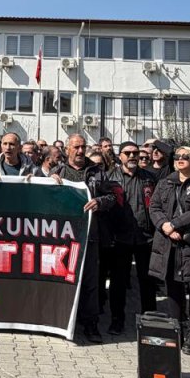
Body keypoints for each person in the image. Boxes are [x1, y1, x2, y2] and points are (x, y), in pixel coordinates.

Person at [149, 146, 190, 355]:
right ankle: (176, 330)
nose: (180, 159)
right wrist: (165, 227)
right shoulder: (165, 182)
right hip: (169, 243)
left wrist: (175, 224)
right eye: (177, 156)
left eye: (185, 157)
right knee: (173, 289)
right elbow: (154, 207)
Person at [52, 134, 115, 344]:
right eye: (76, 147)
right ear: (67, 150)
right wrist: (49, 185)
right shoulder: (57, 172)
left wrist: (99, 201)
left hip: (90, 236)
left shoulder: (97, 173)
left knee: (90, 281)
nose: (80, 151)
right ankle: (61, 321)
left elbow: (112, 197)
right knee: (63, 279)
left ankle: (91, 325)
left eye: (83, 147)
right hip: (63, 239)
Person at [102, 141, 156, 334]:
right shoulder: (110, 178)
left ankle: (150, 321)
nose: (132, 156)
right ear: (120, 156)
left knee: (147, 282)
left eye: (136, 153)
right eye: (128, 153)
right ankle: (117, 320)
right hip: (120, 238)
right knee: (118, 283)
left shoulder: (149, 178)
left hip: (145, 238)